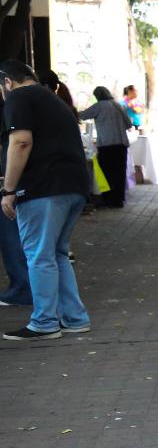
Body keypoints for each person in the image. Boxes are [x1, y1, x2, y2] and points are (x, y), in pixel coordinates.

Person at [0, 59, 92, 340]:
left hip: (42, 188)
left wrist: (9, 189)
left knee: (39, 255)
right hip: (73, 186)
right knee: (56, 254)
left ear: (7, 82)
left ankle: (44, 322)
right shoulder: (53, 100)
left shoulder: (18, 98)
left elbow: (21, 142)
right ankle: (75, 318)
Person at [0, 83, 32, 309]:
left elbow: (18, 142)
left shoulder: (11, 103)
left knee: (11, 233)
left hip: (7, 178)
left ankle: (23, 287)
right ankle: (22, 285)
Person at [79, 86, 134, 208]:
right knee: (119, 172)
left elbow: (82, 115)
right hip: (121, 144)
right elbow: (128, 123)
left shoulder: (99, 106)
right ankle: (119, 200)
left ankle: (108, 199)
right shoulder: (117, 105)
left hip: (106, 144)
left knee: (107, 173)